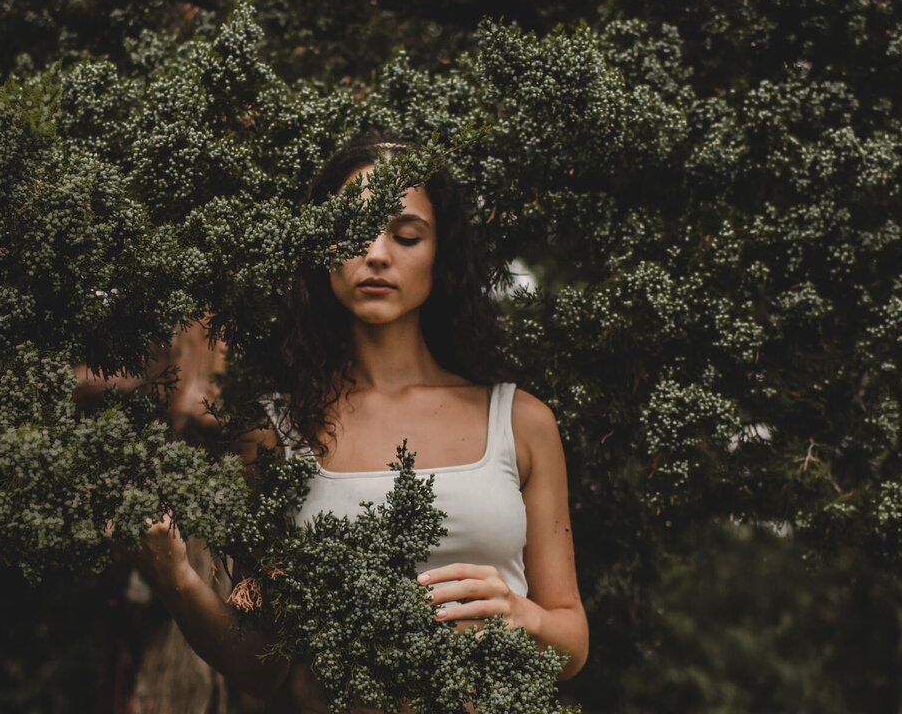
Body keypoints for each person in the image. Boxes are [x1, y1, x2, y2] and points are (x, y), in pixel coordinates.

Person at [124, 133, 588, 711]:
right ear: (320, 250)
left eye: (406, 234)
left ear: (440, 254)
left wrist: (520, 615)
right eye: (353, 230)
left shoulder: (519, 421)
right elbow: (262, 663)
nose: (376, 253)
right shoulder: (272, 434)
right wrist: (178, 581)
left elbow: (571, 643)